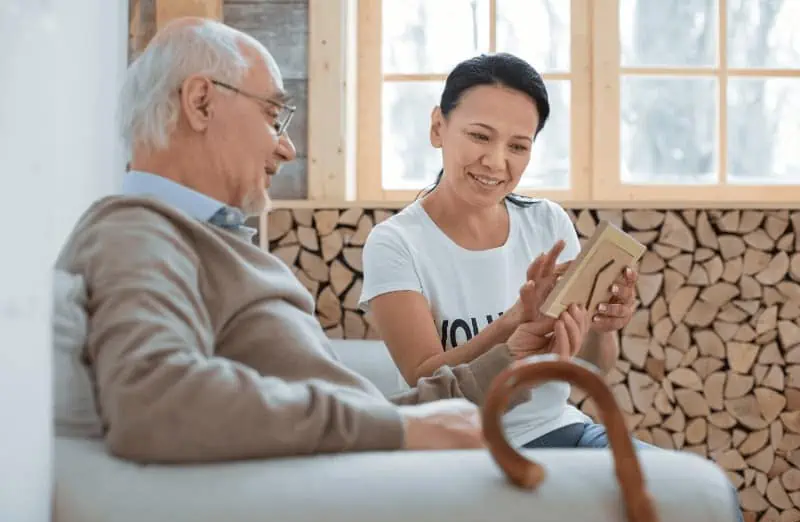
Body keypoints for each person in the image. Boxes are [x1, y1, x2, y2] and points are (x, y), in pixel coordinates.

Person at [53, 18, 584, 463]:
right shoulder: (137, 232)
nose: (286, 148)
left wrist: (510, 350)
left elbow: (368, 413)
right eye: (271, 115)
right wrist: (399, 433)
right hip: (376, 480)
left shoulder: (197, 239)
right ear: (200, 103)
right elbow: (155, 404)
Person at [359, 52, 644, 450]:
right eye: (479, 136)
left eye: (518, 146)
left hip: (560, 429)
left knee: (697, 495)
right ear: (438, 127)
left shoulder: (548, 223)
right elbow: (423, 382)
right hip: (462, 446)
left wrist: (601, 324)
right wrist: (510, 325)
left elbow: (595, 364)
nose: (495, 162)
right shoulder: (395, 243)